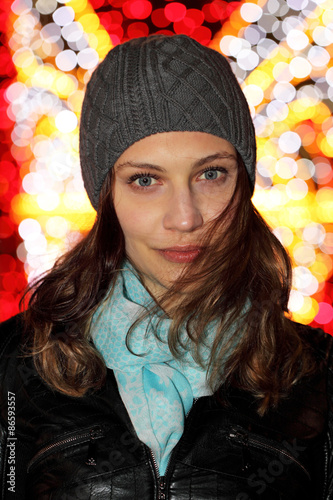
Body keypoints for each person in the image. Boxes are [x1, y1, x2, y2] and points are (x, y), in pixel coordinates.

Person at [0, 34, 332, 500]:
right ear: (106, 194)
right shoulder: (13, 367)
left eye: (211, 174)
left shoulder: (319, 373)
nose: (185, 217)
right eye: (145, 180)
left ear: (243, 180)